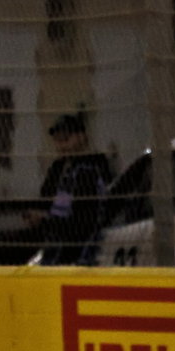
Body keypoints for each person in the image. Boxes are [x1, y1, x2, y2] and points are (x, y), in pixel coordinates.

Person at [23, 114, 113, 265]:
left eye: (65, 140)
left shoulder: (91, 167)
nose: (61, 146)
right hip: (56, 239)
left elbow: (84, 219)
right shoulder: (58, 167)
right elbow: (45, 198)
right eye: (57, 141)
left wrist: (45, 220)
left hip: (80, 245)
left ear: (82, 137)